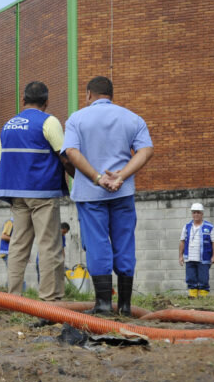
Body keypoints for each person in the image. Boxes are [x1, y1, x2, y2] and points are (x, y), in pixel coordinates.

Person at [63, 76, 153, 316]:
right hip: (122, 193)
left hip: (91, 195)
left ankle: (103, 304)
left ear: (88, 94)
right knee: (125, 242)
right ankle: (124, 305)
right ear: (111, 95)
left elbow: (71, 151)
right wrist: (121, 175)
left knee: (97, 245)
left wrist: (96, 177)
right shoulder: (133, 118)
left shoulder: (76, 119)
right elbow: (146, 150)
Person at [0, 81, 72, 303]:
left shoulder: (8, 125)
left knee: (18, 245)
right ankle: (50, 298)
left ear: (23, 100)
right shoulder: (49, 122)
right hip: (42, 192)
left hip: (15, 193)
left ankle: (14, 298)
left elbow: (3, 159)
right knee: (49, 245)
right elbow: (64, 155)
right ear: (46, 102)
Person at [180, 202, 214, 298]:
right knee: (190, 278)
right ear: (192, 214)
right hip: (189, 258)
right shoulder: (187, 227)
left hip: (204, 258)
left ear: (202, 214)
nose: (196, 214)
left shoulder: (209, 227)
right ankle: (192, 297)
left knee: (203, 279)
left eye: (198, 212)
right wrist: (180, 256)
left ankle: (203, 298)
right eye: (194, 212)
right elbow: (182, 242)